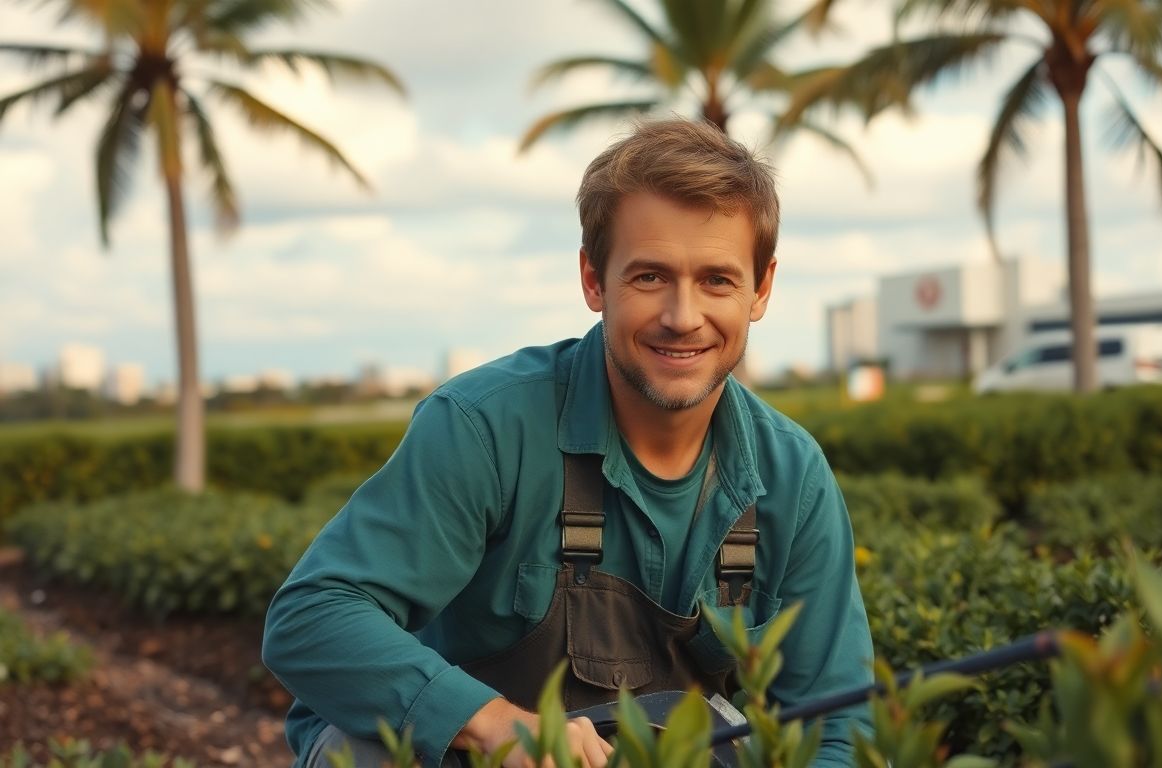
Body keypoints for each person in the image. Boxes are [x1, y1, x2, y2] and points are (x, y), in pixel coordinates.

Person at [262, 118, 874, 767]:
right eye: (649, 277)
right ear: (592, 280)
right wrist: (491, 723)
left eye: (717, 280)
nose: (682, 315)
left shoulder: (791, 475)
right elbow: (311, 619)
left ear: (762, 289)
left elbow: (839, 725)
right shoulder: (483, 426)